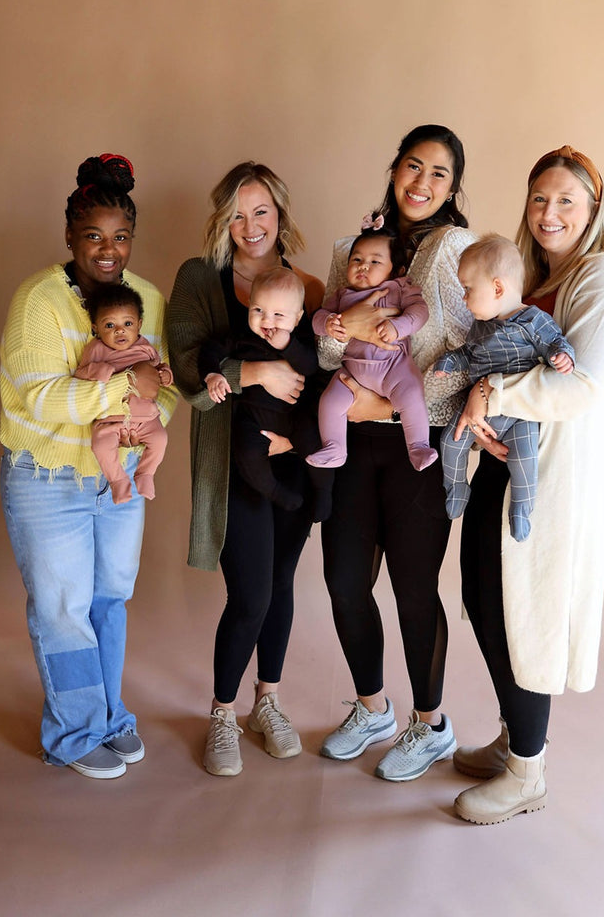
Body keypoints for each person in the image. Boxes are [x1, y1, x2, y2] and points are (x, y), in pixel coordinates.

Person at [452, 145, 604, 824]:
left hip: (549, 479)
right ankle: (512, 736)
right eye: (539, 199)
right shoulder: (526, 276)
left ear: (592, 209)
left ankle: (528, 771)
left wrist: (490, 390)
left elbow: (580, 385)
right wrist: (475, 403)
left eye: (566, 200)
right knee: (481, 594)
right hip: (500, 461)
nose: (550, 212)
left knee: (521, 612)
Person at [0, 153, 177, 779]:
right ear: (69, 235)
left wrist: (148, 415)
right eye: (94, 236)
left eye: (121, 237)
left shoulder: (147, 299)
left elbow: (168, 387)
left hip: (116, 475)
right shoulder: (38, 300)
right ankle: (74, 735)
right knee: (63, 606)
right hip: (47, 479)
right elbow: (39, 395)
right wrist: (130, 396)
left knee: (110, 598)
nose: (108, 250)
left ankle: (109, 716)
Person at [317, 124, 476, 782]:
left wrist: (383, 400)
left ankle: (430, 723)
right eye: (415, 166)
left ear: (452, 188)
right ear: (395, 168)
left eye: (439, 173)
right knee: (345, 579)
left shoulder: (456, 249)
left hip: (421, 439)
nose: (423, 182)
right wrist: (347, 344)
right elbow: (327, 348)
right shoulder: (352, 248)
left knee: (414, 587)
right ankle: (372, 706)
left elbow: (463, 353)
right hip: (353, 442)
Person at [167, 161, 324, 777]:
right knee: (251, 591)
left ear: (280, 214)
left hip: (293, 465)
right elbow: (186, 373)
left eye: (260, 211)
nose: (249, 225)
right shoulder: (199, 278)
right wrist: (254, 372)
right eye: (236, 213)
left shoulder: (305, 288)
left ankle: (269, 702)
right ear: (221, 220)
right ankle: (223, 713)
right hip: (233, 466)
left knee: (280, 585)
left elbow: (330, 369)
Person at [434, 234, 575, 541]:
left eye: (468, 289)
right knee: (450, 441)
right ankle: (456, 486)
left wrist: (562, 357)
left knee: (525, 461)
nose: (463, 298)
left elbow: (555, 343)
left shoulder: (534, 320)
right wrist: (450, 361)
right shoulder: (480, 326)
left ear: (497, 287)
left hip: (517, 411)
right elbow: (468, 354)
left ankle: (522, 509)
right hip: (478, 411)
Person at [203, 266, 332, 521]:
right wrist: (212, 374)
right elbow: (211, 350)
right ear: (248, 304)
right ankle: (275, 492)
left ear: (296, 318)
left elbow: (310, 366)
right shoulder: (241, 334)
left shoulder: (300, 337)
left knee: (316, 445)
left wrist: (287, 345)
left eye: (278, 315)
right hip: (253, 417)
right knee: (246, 452)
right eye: (258, 310)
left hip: (294, 415)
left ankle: (323, 492)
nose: (267, 321)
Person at [307, 221, 438, 472]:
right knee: (330, 401)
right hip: (353, 371)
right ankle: (334, 448)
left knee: (411, 396)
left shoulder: (399, 288)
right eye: (356, 260)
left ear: (395, 270)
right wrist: (330, 324)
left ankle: (418, 446)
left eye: (375, 261)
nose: (363, 266)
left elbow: (420, 312)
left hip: (394, 368)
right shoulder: (342, 295)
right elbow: (317, 318)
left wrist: (399, 326)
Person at [75, 284, 174, 504]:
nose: (120, 330)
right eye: (110, 325)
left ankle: (145, 473)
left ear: (139, 325)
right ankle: (118, 481)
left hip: (146, 419)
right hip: (110, 420)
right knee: (100, 446)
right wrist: (103, 371)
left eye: (127, 323)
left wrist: (165, 375)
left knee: (160, 439)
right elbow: (81, 373)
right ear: (96, 328)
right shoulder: (96, 349)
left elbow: (157, 368)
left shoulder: (145, 348)